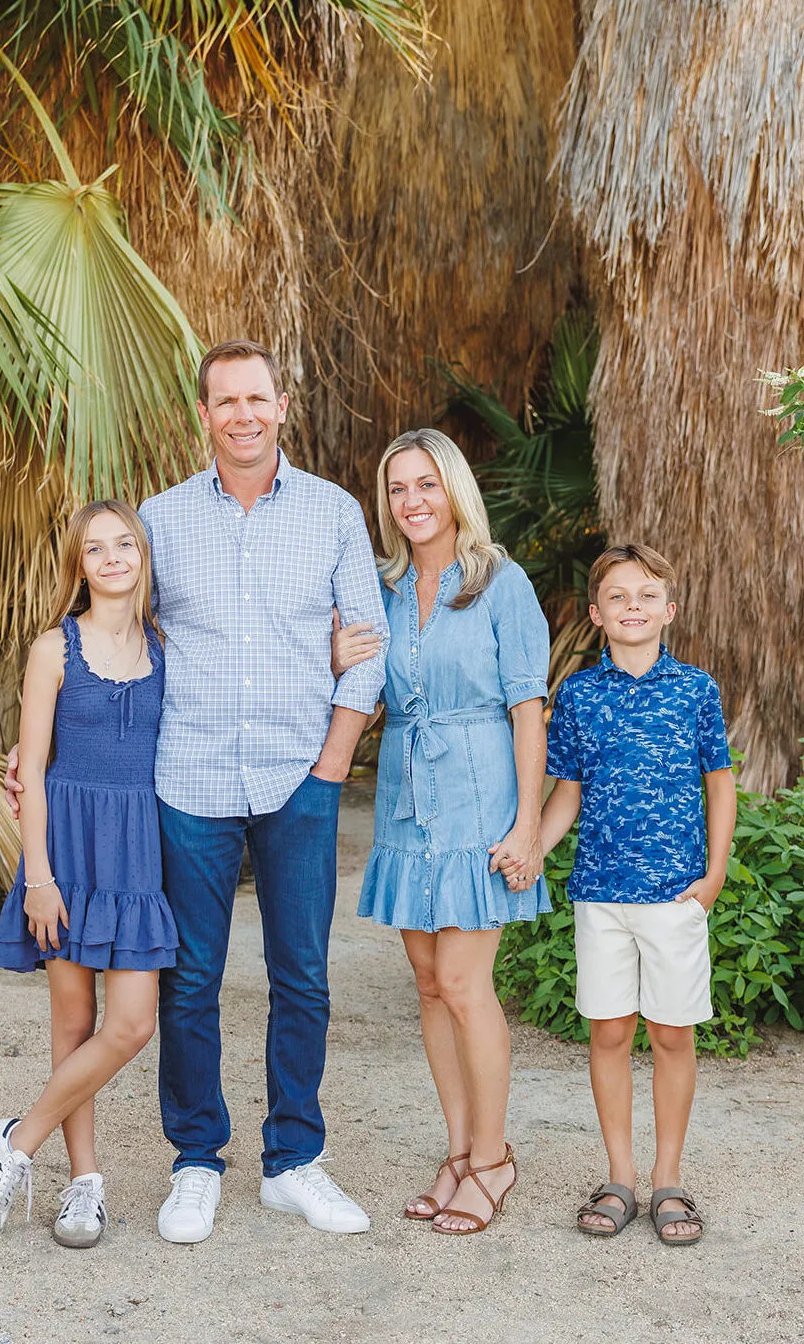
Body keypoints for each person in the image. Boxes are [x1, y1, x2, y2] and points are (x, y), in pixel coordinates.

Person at [139, 340, 388, 1241]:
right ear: (201, 415)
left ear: (283, 405)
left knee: (304, 975)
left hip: (298, 778)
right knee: (189, 978)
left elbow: (368, 644)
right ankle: (197, 1158)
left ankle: (293, 1160)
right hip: (188, 778)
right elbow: (120, 637)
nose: (241, 414)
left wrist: (331, 766)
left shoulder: (331, 512)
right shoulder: (158, 520)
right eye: (223, 401)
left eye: (257, 398)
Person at [339, 428, 550, 1236]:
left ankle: (493, 1160)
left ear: (453, 489)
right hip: (404, 795)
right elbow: (359, 676)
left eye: (426, 484)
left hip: (479, 795)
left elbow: (527, 708)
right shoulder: (383, 588)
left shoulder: (502, 582)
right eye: (398, 489)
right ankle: (459, 1150)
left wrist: (526, 822)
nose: (412, 501)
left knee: (465, 984)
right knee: (428, 986)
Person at [0, 501, 178, 1248]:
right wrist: (38, 878)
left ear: (143, 556)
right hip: (67, 853)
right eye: (97, 548)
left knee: (131, 1025)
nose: (114, 557)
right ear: (79, 564)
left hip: (137, 852)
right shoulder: (52, 650)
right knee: (73, 1023)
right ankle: (83, 1185)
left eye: (126, 543)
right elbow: (31, 771)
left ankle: (15, 1142)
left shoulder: (166, 645)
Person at [540, 544, 737, 1244]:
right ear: (596, 615)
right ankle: (619, 1177)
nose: (632, 606)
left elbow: (719, 783)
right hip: (599, 892)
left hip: (675, 895)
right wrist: (533, 847)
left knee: (671, 1033)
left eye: (646, 595)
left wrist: (711, 876)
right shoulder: (578, 695)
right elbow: (566, 791)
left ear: (668, 609)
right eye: (618, 597)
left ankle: (667, 1180)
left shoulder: (694, 690)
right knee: (610, 1031)